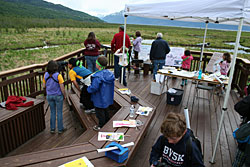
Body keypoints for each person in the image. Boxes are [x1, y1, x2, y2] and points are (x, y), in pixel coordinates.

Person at [87, 56, 115, 131]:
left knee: (99, 113)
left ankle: (101, 125)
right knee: (105, 110)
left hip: (99, 98)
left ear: (98, 65)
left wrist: (88, 88)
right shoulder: (110, 74)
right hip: (107, 96)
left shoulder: (97, 76)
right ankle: (107, 122)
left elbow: (94, 88)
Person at [43, 60, 66, 134]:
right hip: (58, 96)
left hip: (49, 96)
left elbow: (43, 86)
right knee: (59, 112)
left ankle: (52, 129)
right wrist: (64, 95)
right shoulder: (58, 75)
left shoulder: (45, 75)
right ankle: (60, 129)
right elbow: (62, 87)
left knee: (52, 112)